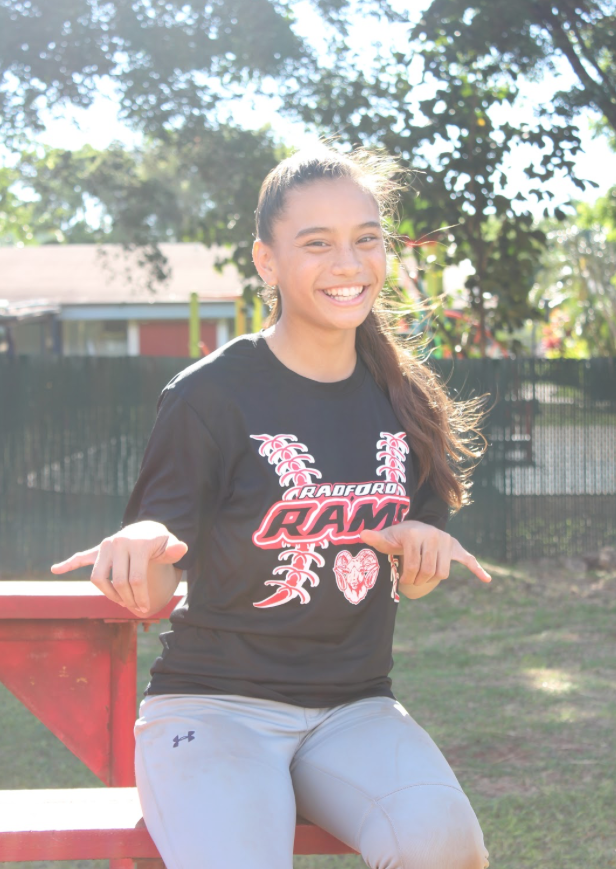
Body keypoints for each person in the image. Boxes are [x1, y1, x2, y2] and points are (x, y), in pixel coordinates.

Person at [52, 144, 491, 869]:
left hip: (355, 708)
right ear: (267, 261)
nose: (348, 263)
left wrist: (422, 554)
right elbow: (157, 584)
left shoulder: (405, 400)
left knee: (445, 847)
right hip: (212, 707)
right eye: (316, 244)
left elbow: (410, 582)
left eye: (366, 239)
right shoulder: (211, 394)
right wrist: (139, 549)